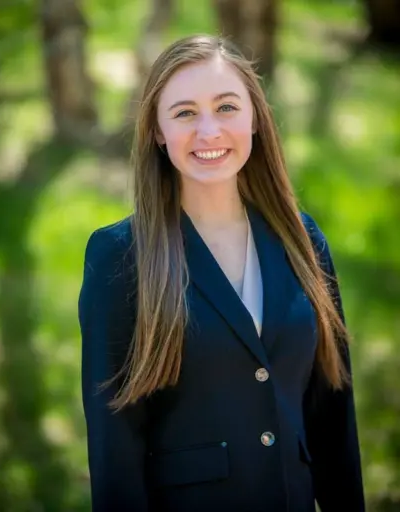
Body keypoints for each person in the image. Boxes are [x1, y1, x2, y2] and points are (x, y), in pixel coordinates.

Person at [78, 34, 365, 512]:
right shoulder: (119, 255)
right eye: (185, 113)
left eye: (227, 107)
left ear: (255, 119)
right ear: (157, 131)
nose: (209, 131)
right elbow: (115, 448)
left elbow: (333, 414)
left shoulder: (303, 238)